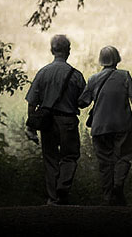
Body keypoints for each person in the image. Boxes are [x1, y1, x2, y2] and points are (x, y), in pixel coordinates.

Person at [25, 34, 87, 205]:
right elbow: (82, 102)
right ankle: (63, 187)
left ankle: (53, 199)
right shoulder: (76, 75)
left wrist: (31, 125)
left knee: (50, 159)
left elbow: (32, 102)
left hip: (47, 122)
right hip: (67, 121)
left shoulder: (43, 72)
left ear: (52, 50)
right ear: (68, 51)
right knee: (70, 156)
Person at [78, 45, 132, 206]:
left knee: (105, 163)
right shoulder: (124, 75)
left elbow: (82, 102)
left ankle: (107, 198)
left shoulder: (93, 79)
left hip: (100, 127)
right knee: (124, 157)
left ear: (101, 61)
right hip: (123, 125)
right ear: (117, 59)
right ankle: (118, 185)